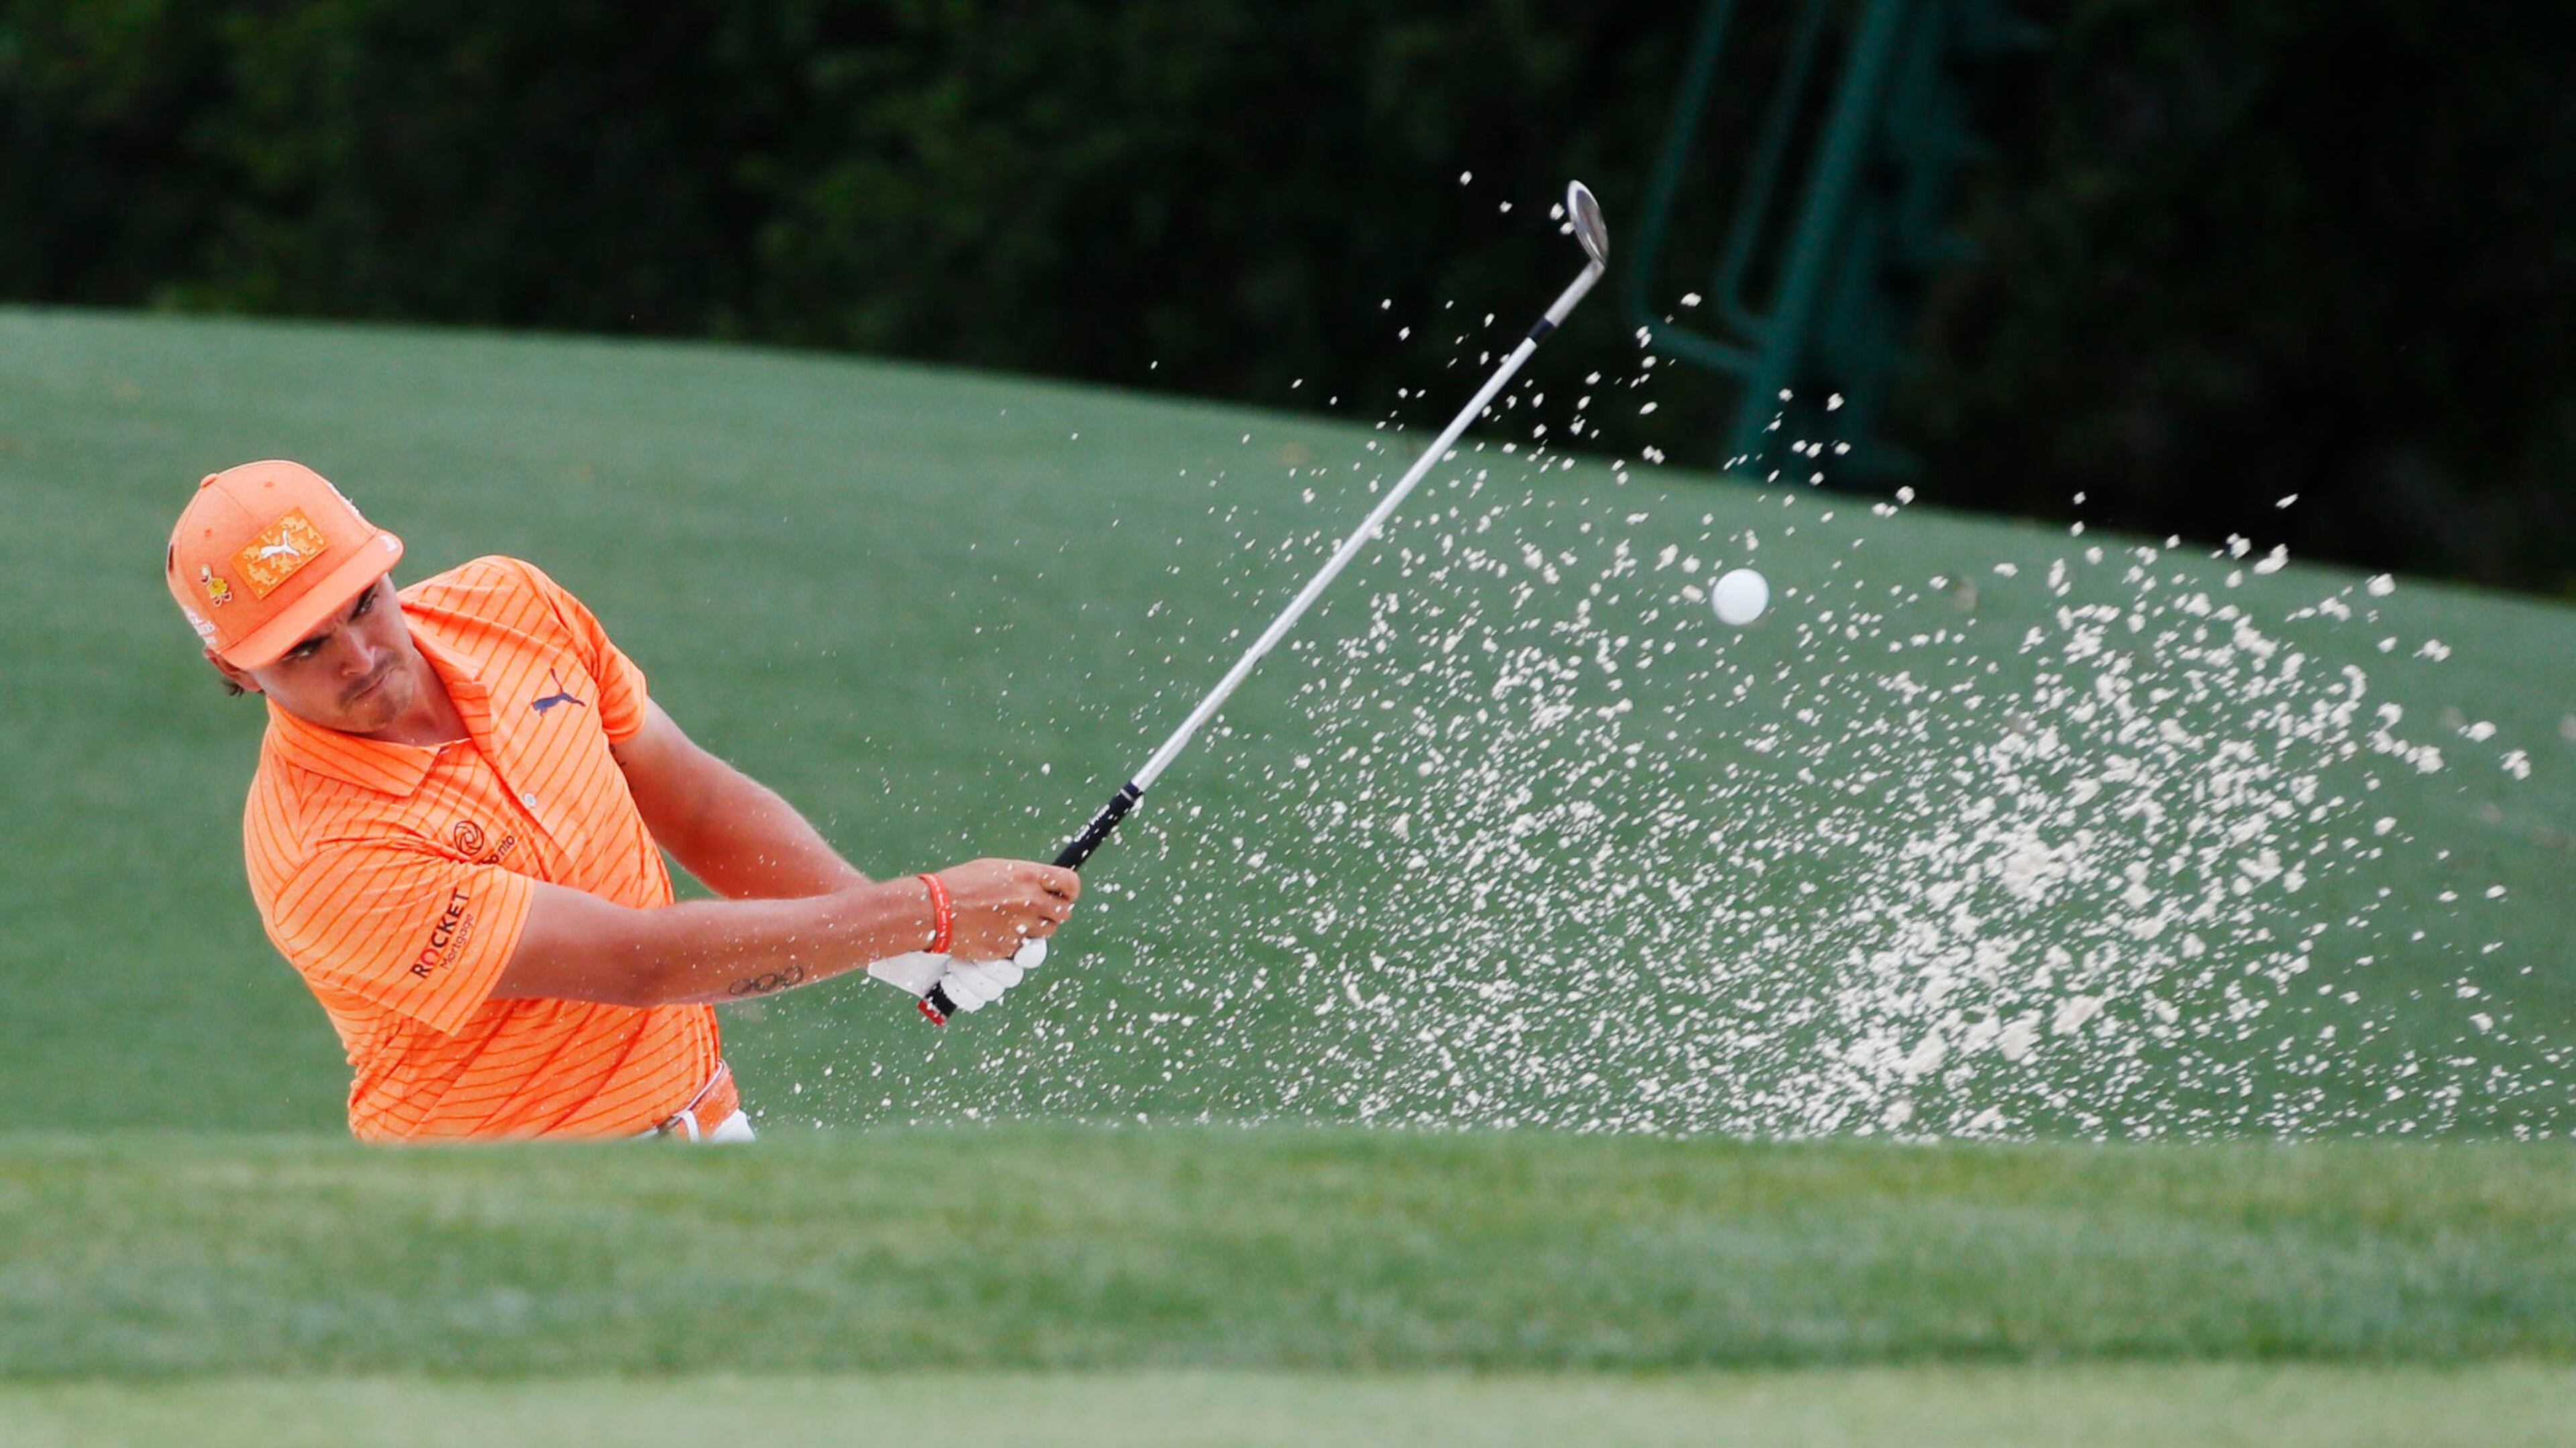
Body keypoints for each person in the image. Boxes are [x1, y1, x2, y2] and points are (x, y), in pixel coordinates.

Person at [165, 459, 1076, 1141]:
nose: (360, 657)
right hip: (500, 1219)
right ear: (231, 668)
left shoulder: (512, 604)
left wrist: (904, 946)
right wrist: (924, 912)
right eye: (304, 649)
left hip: (709, 1127)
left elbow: (695, 806)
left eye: (363, 603)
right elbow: (640, 965)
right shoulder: (320, 855)